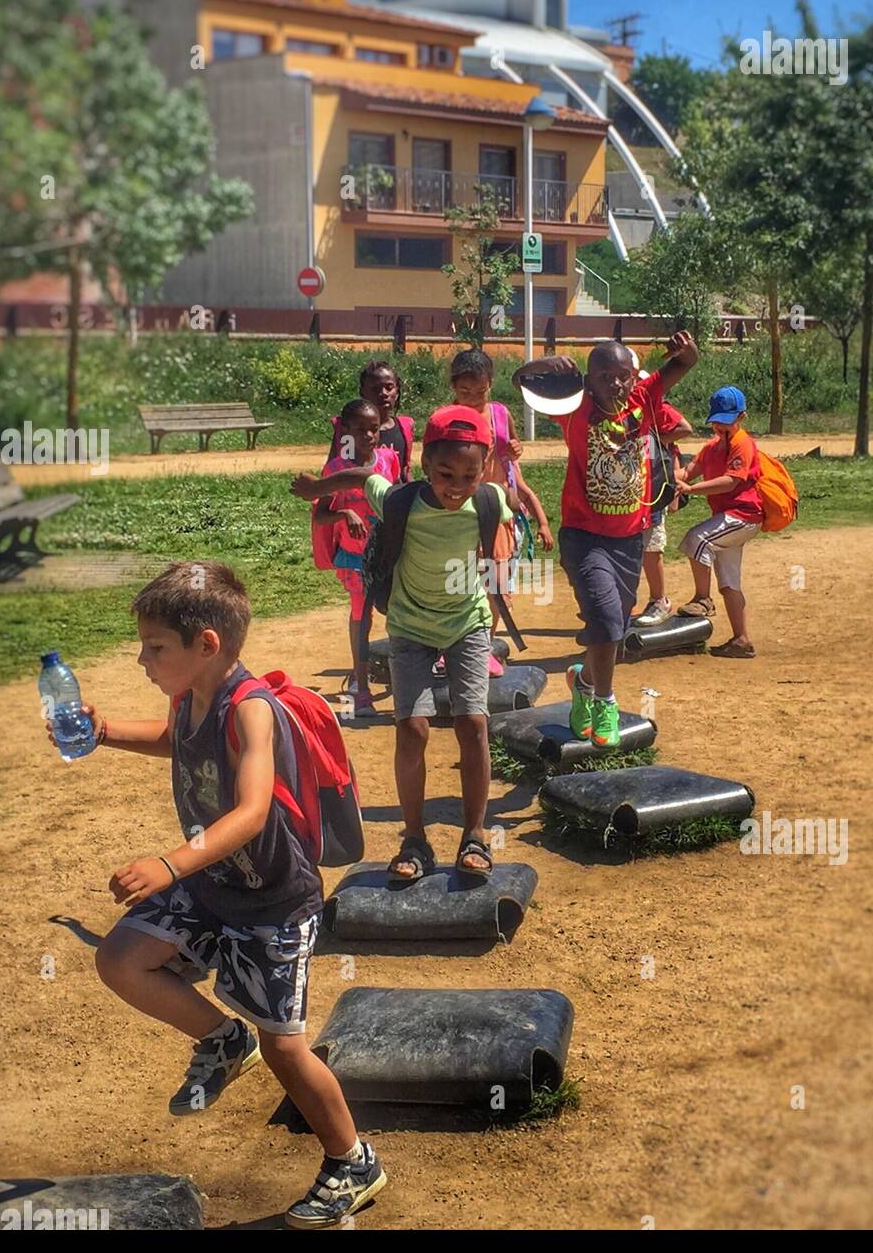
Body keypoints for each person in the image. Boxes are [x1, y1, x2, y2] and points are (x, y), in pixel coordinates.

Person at [51, 560, 386, 1229]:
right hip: (213, 884)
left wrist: (170, 864)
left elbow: (254, 810)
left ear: (206, 645)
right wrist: (107, 730)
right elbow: (177, 743)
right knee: (121, 958)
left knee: (287, 1049)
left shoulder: (251, 709)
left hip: (271, 900)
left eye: (155, 647)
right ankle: (223, 1039)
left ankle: (352, 1161)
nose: (143, 659)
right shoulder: (192, 698)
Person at [291, 406, 509, 880]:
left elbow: (503, 515)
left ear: (484, 467)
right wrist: (316, 490)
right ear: (425, 464)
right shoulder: (400, 500)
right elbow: (364, 475)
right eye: (445, 473)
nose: (456, 486)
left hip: (467, 623)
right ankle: (414, 840)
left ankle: (474, 835)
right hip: (410, 626)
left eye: (469, 475)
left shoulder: (488, 500)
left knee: (473, 723)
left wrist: (507, 540)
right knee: (412, 728)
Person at [512, 332, 699, 747]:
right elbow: (521, 383)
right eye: (603, 376)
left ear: (634, 378)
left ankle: (583, 682)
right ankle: (605, 700)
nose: (614, 384)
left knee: (612, 629)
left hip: (630, 539)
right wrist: (543, 364)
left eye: (622, 376)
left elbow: (685, 362)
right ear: (589, 379)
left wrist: (687, 350)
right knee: (605, 617)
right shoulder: (574, 407)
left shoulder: (645, 401)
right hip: (584, 537)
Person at [446, 349, 553, 674]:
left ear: (490, 385)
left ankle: (484, 648)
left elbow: (512, 452)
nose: (474, 399)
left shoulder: (500, 414)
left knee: (498, 587)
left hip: (499, 515)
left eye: (480, 392)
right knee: (461, 585)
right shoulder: (447, 419)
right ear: (453, 387)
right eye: (465, 392)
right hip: (460, 514)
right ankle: (450, 649)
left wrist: (516, 448)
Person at [313, 397, 401, 717]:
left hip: (387, 554)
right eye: (360, 429)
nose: (368, 435)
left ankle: (406, 679)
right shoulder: (335, 469)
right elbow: (321, 515)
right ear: (346, 430)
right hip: (355, 559)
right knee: (361, 618)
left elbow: (398, 500)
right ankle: (361, 688)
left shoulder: (388, 461)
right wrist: (345, 512)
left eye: (374, 429)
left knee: (399, 615)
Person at [674, 385, 764, 658]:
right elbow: (687, 471)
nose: (721, 427)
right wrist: (668, 474)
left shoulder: (743, 444)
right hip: (728, 519)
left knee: (696, 539)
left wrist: (691, 490)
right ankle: (742, 640)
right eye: (716, 422)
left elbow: (730, 482)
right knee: (729, 584)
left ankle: (703, 599)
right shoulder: (711, 449)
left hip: (744, 516)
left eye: (727, 422)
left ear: (742, 417)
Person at [635, 399, 693, 626]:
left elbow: (684, 427)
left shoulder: (652, 404)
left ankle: (659, 600)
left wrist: (655, 442)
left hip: (652, 487)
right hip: (632, 487)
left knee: (651, 547)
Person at [328, 361, 413, 483]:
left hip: (390, 498)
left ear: (397, 391)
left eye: (389, 388)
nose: (384, 393)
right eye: (375, 389)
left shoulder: (404, 428)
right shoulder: (349, 429)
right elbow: (336, 469)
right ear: (362, 392)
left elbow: (404, 472)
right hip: (356, 498)